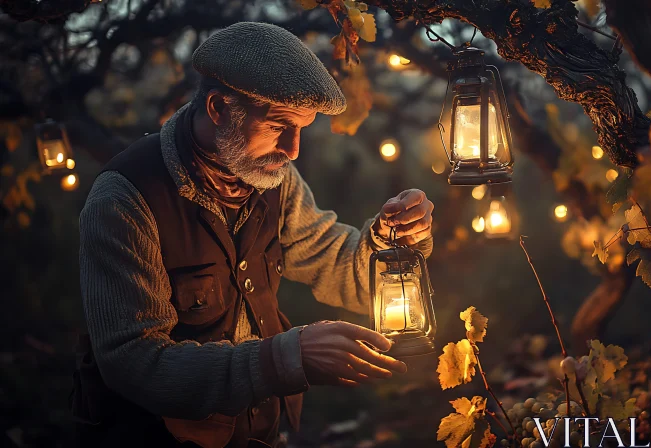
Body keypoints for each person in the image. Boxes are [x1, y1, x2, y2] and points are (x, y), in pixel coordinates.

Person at [72, 22, 435, 448]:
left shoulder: (273, 175)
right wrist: (284, 359)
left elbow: (336, 264)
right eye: (280, 124)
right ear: (217, 108)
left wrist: (388, 243)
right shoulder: (127, 197)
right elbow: (134, 364)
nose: (293, 149)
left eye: (303, 128)